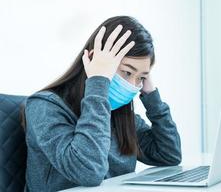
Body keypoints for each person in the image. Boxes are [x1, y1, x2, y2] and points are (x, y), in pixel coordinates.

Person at [22, 16, 181, 191]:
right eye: (128, 72)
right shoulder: (44, 106)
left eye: (141, 77)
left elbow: (169, 154)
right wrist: (98, 82)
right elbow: (88, 172)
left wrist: (151, 95)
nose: (133, 85)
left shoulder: (117, 111)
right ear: (93, 61)